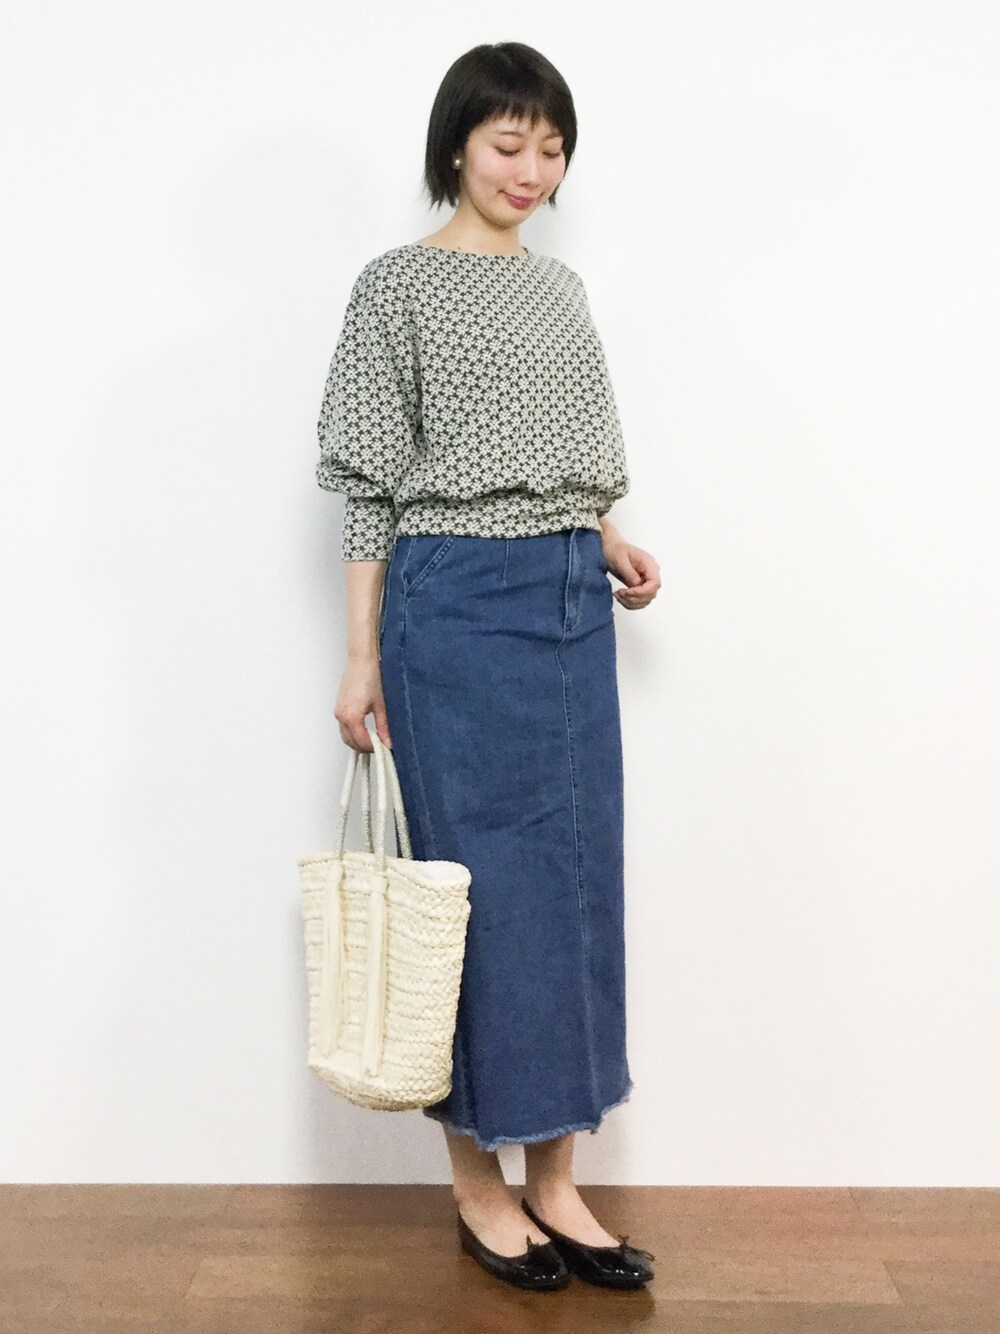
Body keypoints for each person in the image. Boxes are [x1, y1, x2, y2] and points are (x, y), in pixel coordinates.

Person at [315, 41, 661, 1293]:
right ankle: (478, 1187)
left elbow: (561, 448)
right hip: (453, 604)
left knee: (574, 892)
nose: (531, 169)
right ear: (456, 144)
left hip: (569, 598)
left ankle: (557, 1181)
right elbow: (369, 485)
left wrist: (605, 535)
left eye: (551, 148)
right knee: (471, 897)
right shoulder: (396, 285)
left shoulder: (561, 291)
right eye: (508, 143)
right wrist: (360, 655)